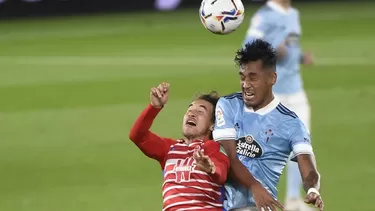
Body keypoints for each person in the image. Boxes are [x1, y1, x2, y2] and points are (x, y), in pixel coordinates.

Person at [213, 39, 323, 211]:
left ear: (272, 78)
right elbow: (230, 158)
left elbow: (308, 167)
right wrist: (255, 186)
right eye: (242, 77)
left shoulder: (291, 123)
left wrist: (312, 189)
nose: (245, 84)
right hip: (219, 205)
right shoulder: (228, 105)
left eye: (253, 77)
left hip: (260, 207)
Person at [242, 1, 314, 210]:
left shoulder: (293, 13)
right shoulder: (264, 16)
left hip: (296, 90)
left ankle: (293, 199)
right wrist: (272, 52)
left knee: (301, 145)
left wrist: (300, 57)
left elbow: (291, 46)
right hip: (273, 92)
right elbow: (248, 48)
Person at [129, 82, 230, 211]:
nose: (192, 114)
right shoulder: (169, 148)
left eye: (200, 112)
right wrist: (154, 107)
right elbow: (137, 136)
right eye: (189, 110)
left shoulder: (211, 148)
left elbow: (221, 172)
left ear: (212, 125)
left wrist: (211, 170)